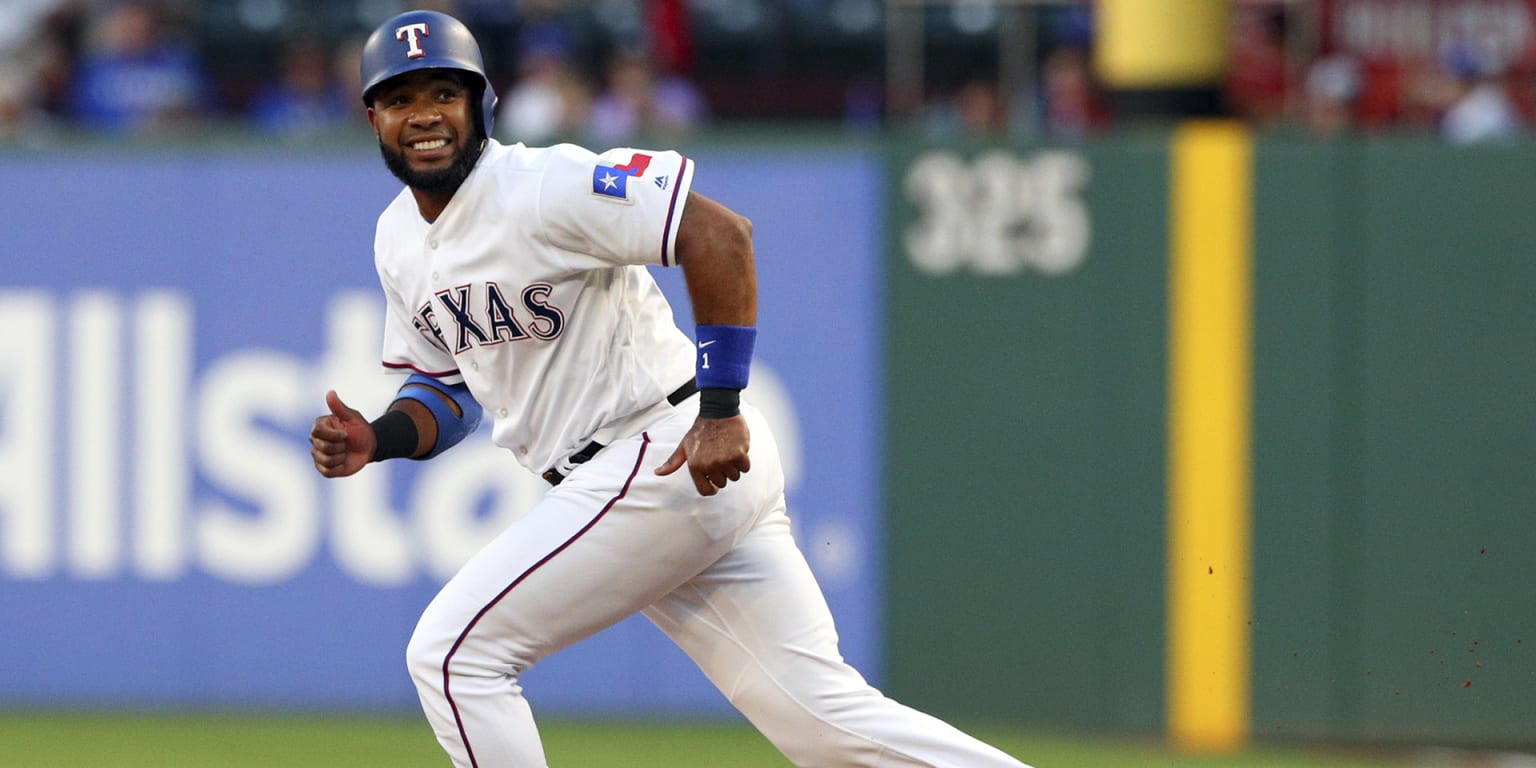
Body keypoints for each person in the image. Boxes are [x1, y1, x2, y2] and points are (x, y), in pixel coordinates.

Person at [310, 10, 1032, 768]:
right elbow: (446, 388)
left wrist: (721, 409)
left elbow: (719, 235)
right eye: (400, 99)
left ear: (481, 102)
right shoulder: (397, 238)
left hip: (661, 449)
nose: (423, 114)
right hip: (650, 476)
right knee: (826, 726)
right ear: (372, 118)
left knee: (455, 655)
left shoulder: (541, 185)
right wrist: (380, 437)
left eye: (442, 93)